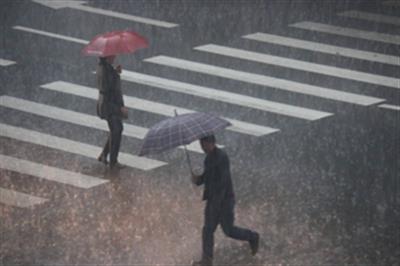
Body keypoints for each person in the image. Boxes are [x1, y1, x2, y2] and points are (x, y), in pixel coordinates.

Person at [191, 135, 260, 266]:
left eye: (204, 145)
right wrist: (198, 180)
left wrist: (217, 204)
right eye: (201, 145)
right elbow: (207, 177)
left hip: (224, 201)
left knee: (228, 230)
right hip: (213, 200)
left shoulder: (222, 157)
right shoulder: (208, 158)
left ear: (211, 143)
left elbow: (223, 182)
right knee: (207, 230)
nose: (202, 148)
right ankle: (207, 260)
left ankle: (253, 236)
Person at [96, 55, 128, 169]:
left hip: (108, 105)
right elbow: (108, 91)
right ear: (107, 56)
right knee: (116, 129)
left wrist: (115, 72)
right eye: (112, 54)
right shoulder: (104, 70)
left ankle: (104, 155)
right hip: (109, 106)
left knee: (116, 129)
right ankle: (113, 162)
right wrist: (119, 109)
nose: (115, 55)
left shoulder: (105, 67)